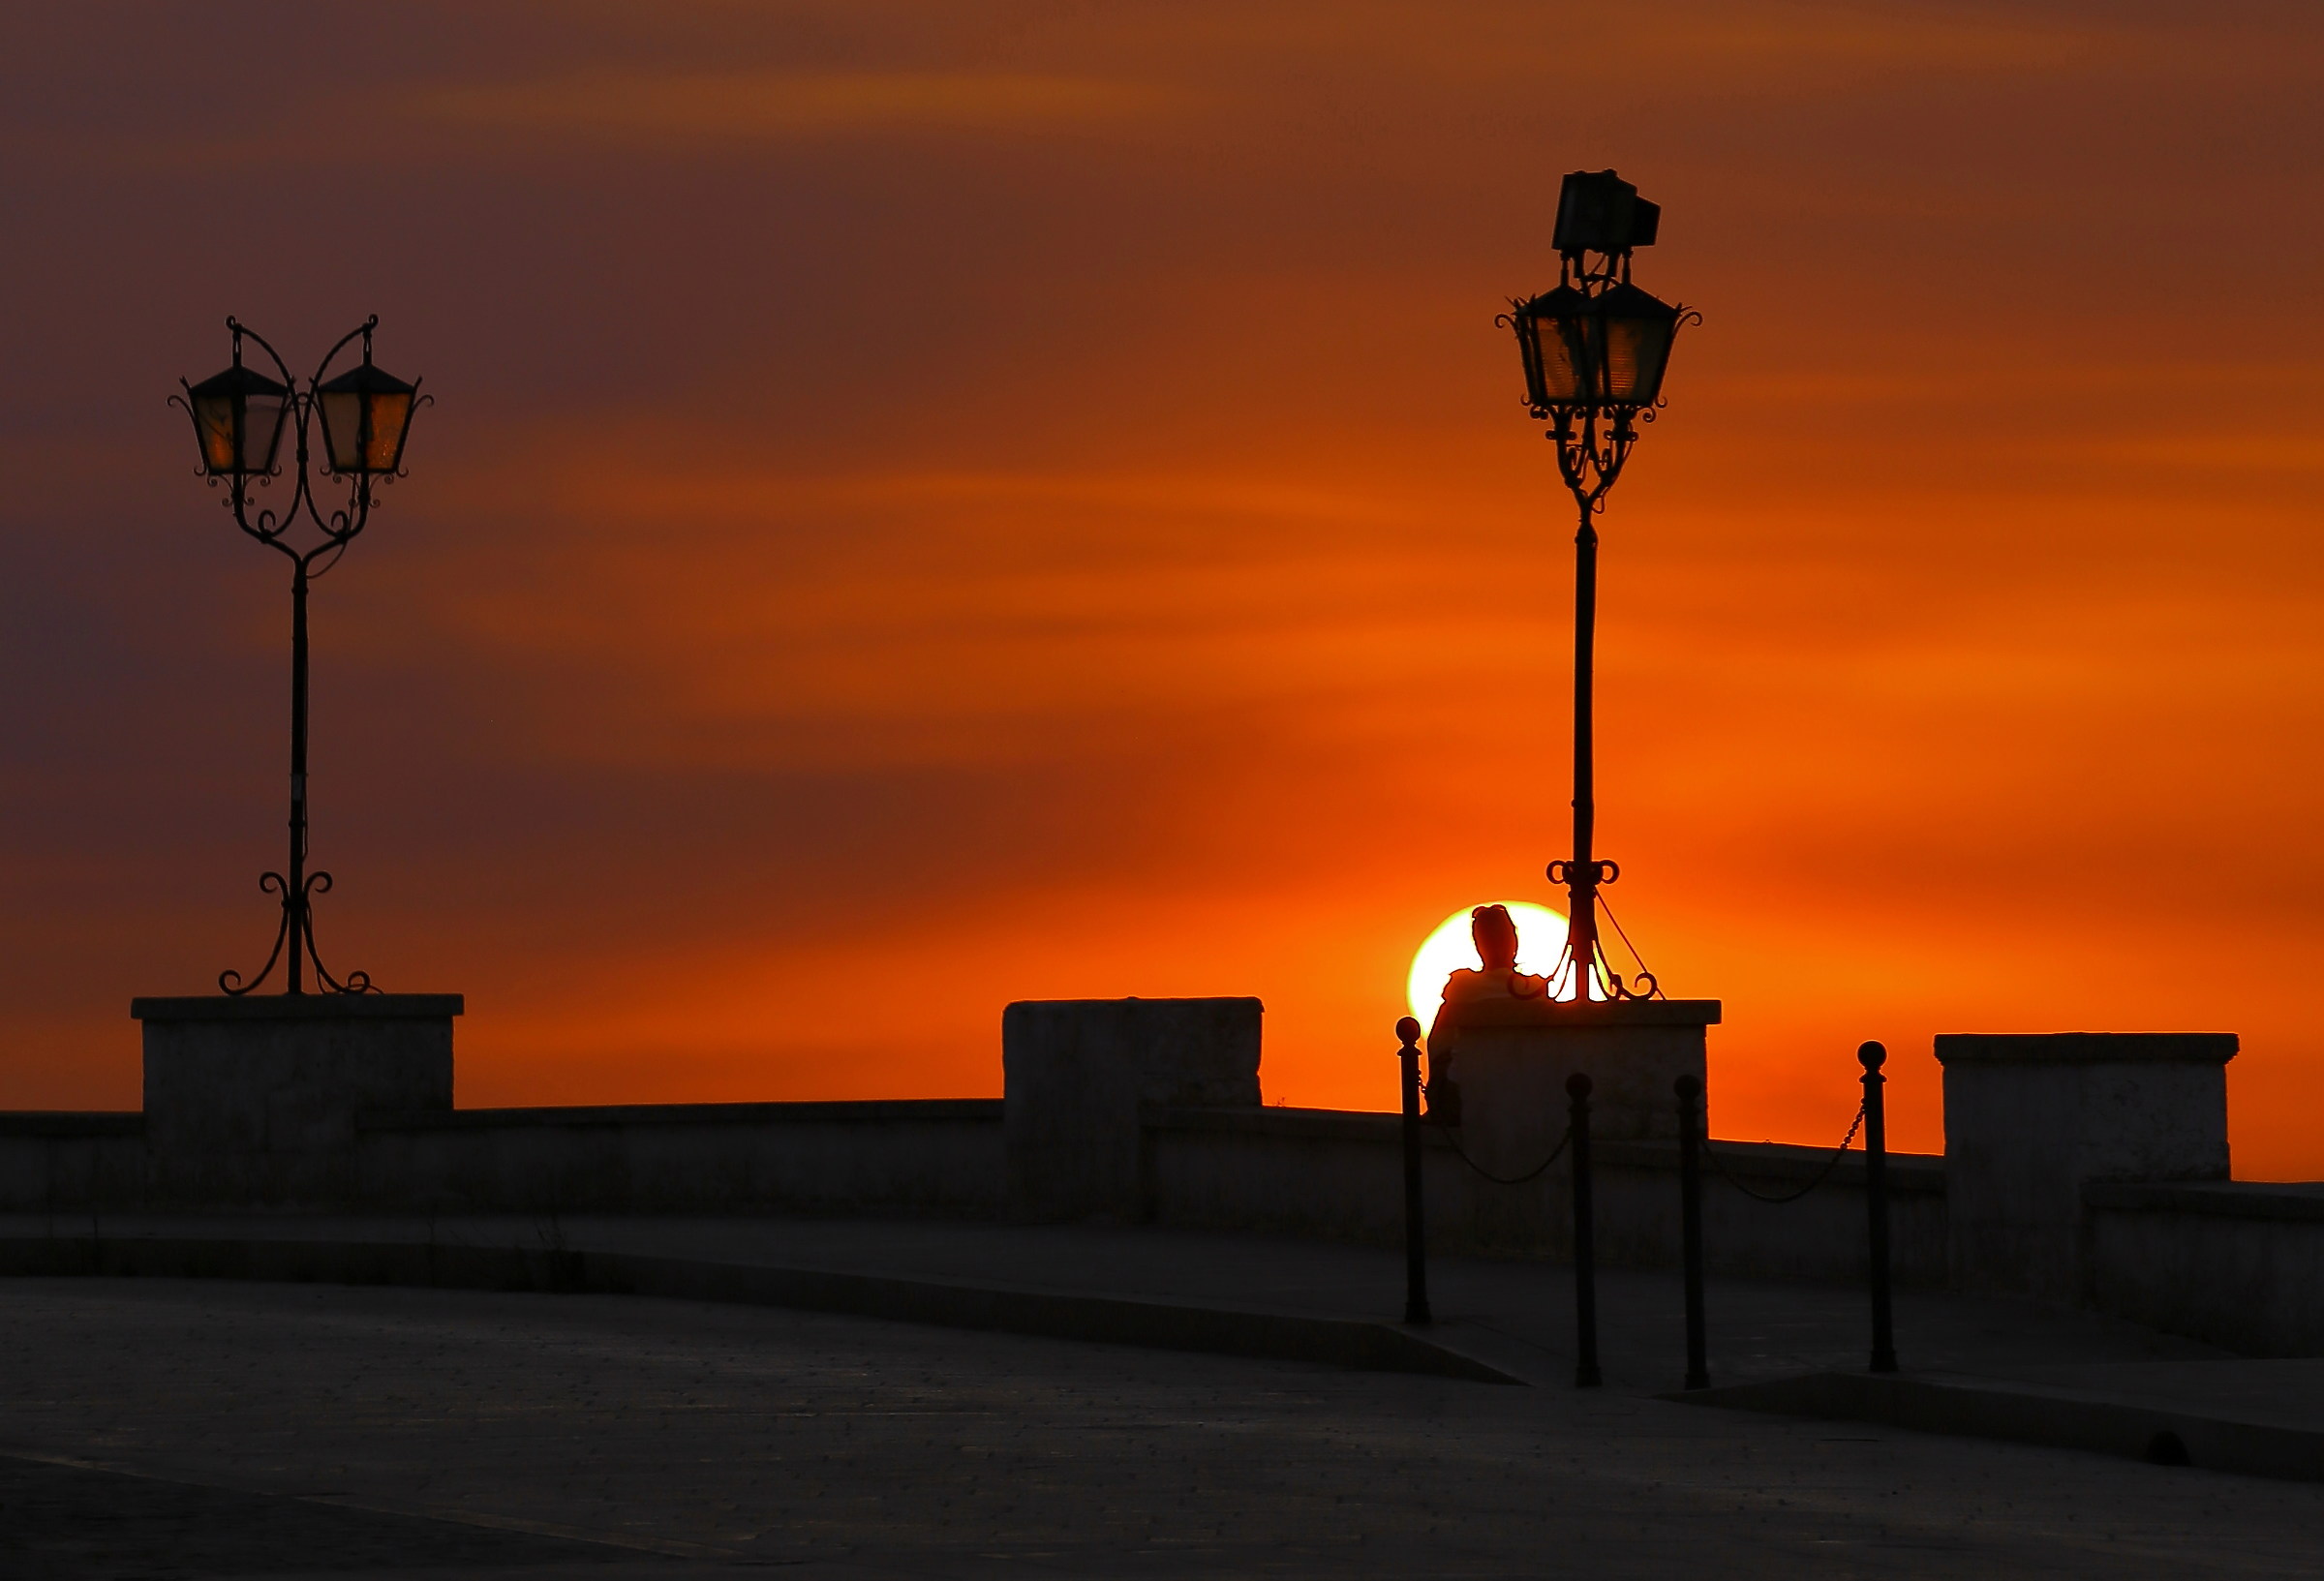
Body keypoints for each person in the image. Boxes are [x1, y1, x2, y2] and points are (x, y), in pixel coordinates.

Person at [1424, 904, 1549, 1122]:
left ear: (1479, 945)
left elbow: (1437, 1046)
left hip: (1464, 1097)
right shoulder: (1534, 989)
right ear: (1514, 942)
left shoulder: (1461, 988)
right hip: (1527, 1095)